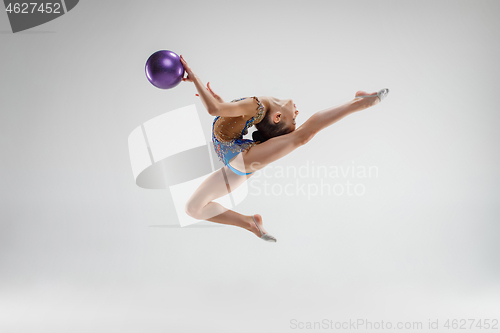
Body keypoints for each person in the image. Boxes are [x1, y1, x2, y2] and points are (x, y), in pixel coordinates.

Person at [180, 55, 389, 242]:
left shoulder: (257, 106)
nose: (297, 112)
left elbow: (213, 111)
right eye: (296, 118)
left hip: (239, 160)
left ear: (277, 117)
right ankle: (250, 223)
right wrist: (220, 104)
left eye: (294, 119)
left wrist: (194, 79)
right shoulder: (256, 107)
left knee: (302, 138)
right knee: (192, 208)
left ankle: (359, 103)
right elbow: (219, 112)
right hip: (235, 164)